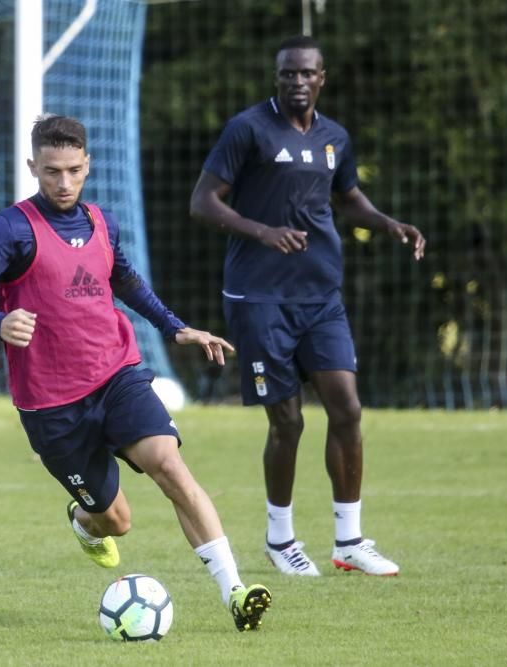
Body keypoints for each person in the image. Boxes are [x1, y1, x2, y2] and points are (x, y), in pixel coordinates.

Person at [0, 114, 271, 631]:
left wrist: (174, 327)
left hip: (116, 376)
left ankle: (235, 590)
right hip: (51, 405)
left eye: (74, 170)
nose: (64, 182)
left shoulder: (103, 222)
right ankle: (85, 521)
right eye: (51, 171)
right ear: (33, 166)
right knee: (116, 520)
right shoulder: (10, 229)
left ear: (88, 165)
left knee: (169, 464)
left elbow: (125, 280)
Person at [189, 35, 425, 577]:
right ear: (277, 79)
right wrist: (262, 232)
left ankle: (349, 541)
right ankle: (280, 539)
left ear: (322, 77)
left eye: (307, 73)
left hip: (320, 294)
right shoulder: (247, 129)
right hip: (259, 297)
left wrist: (388, 223)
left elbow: (348, 198)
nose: (297, 81)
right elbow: (202, 201)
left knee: (347, 408)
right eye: (287, 74)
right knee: (288, 422)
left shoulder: (333, 137)